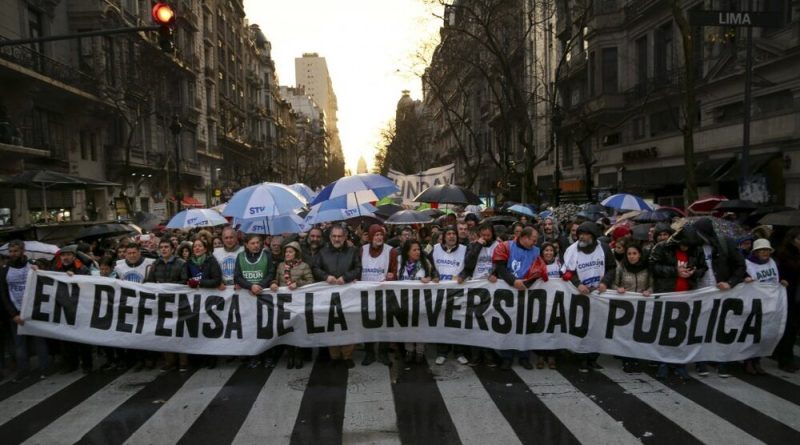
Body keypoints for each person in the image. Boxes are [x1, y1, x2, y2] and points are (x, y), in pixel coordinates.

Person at [650, 225, 708, 381]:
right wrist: (675, 271)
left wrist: (694, 272)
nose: (685, 248)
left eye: (688, 246)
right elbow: (653, 267)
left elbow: (703, 268)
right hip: (667, 294)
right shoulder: (662, 248)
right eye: (683, 244)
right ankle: (663, 363)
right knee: (664, 331)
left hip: (687, 296)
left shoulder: (697, 250)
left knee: (682, 332)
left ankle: (680, 364)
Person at [692, 217, 746, 377]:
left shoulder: (725, 243)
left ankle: (722, 362)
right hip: (700, 293)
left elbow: (740, 265)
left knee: (721, 328)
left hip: (722, 294)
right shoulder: (694, 246)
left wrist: (730, 282)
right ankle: (701, 362)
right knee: (700, 328)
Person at [561, 221, 616, 372]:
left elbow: (612, 268)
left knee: (597, 328)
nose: (581, 237)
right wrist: (578, 284)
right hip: (580, 295)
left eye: (585, 234)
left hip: (598, 295)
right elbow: (567, 272)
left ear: (593, 236)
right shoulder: (572, 250)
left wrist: (605, 282)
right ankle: (582, 358)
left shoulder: (604, 248)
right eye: (580, 234)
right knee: (582, 327)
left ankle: (593, 358)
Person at [492, 226, 547, 370]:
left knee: (525, 325)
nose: (535, 243)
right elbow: (500, 268)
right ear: (524, 237)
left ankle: (524, 356)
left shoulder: (536, 251)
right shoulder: (505, 246)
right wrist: (513, 282)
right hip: (508, 292)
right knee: (507, 325)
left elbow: (539, 270)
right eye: (533, 240)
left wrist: (527, 283)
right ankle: (507, 356)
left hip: (526, 292)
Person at [0, 240, 51, 381]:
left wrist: (35, 309)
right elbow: (4, 294)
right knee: (19, 345)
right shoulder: (4, 271)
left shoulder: (32, 266)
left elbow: (42, 286)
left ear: (23, 251)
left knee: (39, 341)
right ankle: (23, 370)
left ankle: (45, 368)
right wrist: (13, 314)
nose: (13, 254)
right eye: (10, 251)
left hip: (33, 311)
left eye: (16, 251)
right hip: (16, 313)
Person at [312, 225, 362, 368]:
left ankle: (347, 356)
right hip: (329, 296)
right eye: (334, 236)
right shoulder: (323, 252)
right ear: (330, 237)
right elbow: (315, 268)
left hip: (348, 296)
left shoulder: (352, 251)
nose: (337, 239)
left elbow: (358, 269)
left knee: (349, 324)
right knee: (331, 324)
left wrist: (346, 277)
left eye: (340, 236)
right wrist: (326, 276)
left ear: (345, 237)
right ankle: (334, 356)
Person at [742, 238, 787, 375]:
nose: (765, 252)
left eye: (767, 250)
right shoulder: (747, 264)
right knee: (752, 333)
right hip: (754, 304)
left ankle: (757, 360)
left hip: (770, 304)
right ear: (755, 252)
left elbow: (776, 278)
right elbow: (741, 278)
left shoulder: (773, 263)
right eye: (761, 250)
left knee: (764, 334)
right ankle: (748, 361)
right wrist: (745, 279)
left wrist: (782, 282)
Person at [234, 234, 277, 368]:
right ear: (246, 245)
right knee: (250, 328)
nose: (256, 245)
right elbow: (237, 276)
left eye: (257, 242)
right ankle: (254, 355)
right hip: (248, 298)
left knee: (266, 327)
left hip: (264, 296)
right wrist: (250, 286)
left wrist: (260, 285)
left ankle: (268, 356)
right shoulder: (240, 256)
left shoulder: (267, 255)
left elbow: (271, 273)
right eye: (252, 243)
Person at [145, 239, 189, 372]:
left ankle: (183, 362)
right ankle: (169, 361)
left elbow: (185, 281)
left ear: (172, 249)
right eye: (162, 247)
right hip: (162, 303)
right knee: (165, 332)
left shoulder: (181, 263)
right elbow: (149, 282)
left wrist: (168, 287)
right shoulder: (155, 264)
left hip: (178, 302)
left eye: (166, 247)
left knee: (179, 332)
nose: (164, 249)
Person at [270, 241, 313, 369]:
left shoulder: (304, 266)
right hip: (284, 302)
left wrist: (298, 283)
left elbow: (311, 281)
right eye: (286, 252)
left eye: (290, 252)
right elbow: (276, 279)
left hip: (299, 302)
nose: (287, 254)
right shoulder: (280, 266)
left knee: (298, 327)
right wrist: (273, 283)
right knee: (287, 327)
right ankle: (290, 354)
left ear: (297, 253)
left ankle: (299, 354)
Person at [359, 224, 397, 366]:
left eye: (381, 235)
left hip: (384, 294)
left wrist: (392, 276)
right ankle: (369, 352)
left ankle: (383, 352)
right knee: (367, 323)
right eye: (376, 235)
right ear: (370, 237)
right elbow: (357, 268)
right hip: (366, 294)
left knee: (384, 323)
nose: (379, 237)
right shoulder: (362, 250)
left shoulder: (391, 251)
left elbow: (395, 272)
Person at [612, 241, 652, 373]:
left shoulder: (647, 268)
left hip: (642, 306)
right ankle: (626, 360)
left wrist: (649, 291)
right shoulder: (621, 267)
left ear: (639, 254)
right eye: (629, 254)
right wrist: (618, 289)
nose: (631, 256)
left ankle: (637, 359)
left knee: (639, 333)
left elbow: (652, 285)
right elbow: (613, 284)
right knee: (626, 334)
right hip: (626, 307)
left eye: (634, 253)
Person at [53, 245, 94, 373]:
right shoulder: (55, 269)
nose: (65, 257)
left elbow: (89, 286)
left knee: (83, 338)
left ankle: (87, 364)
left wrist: (75, 278)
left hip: (80, 308)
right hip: (64, 309)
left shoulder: (83, 269)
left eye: (68, 255)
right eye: (63, 255)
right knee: (66, 339)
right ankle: (71, 364)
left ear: (74, 256)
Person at [431, 226, 469, 365]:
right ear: (444, 236)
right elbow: (429, 264)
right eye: (449, 234)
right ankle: (442, 352)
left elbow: (469, 266)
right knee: (441, 322)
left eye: (454, 234)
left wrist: (463, 276)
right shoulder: (435, 248)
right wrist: (434, 275)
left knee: (458, 322)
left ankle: (459, 352)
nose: (452, 236)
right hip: (440, 292)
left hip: (458, 292)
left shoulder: (464, 249)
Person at [397, 239, 437, 364]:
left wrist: (430, 278)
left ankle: (420, 351)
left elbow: (435, 275)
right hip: (404, 301)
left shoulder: (425, 262)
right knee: (406, 326)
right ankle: (409, 350)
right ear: (407, 252)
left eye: (419, 249)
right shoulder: (399, 261)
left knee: (421, 325)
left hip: (421, 301)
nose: (418, 252)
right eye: (414, 250)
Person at [186, 236, 223, 369]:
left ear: (205, 249)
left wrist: (200, 283)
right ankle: (198, 358)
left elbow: (217, 280)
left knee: (208, 329)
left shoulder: (211, 261)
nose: (197, 248)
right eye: (195, 246)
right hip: (194, 301)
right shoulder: (189, 263)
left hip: (209, 300)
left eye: (200, 246)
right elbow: (185, 279)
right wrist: (188, 282)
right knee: (196, 328)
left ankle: (211, 357)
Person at [773, 227, 800, 372]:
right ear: (792, 240)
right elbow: (779, 274)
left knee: (793, 328)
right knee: (788, 327)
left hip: (796, 295)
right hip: (788, 295)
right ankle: (785, 359)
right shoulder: (783, 255)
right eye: (799, 239)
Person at [537, 242, 561, 369]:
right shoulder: (537, 264)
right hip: (541, 302)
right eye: (546, 250)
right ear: (542, 252)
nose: (549, 253)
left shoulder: (559, 265)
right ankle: (541, 355)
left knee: (554, 329)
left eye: (551, 250)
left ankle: (552, 355)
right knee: (541, 328)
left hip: (555, 301)